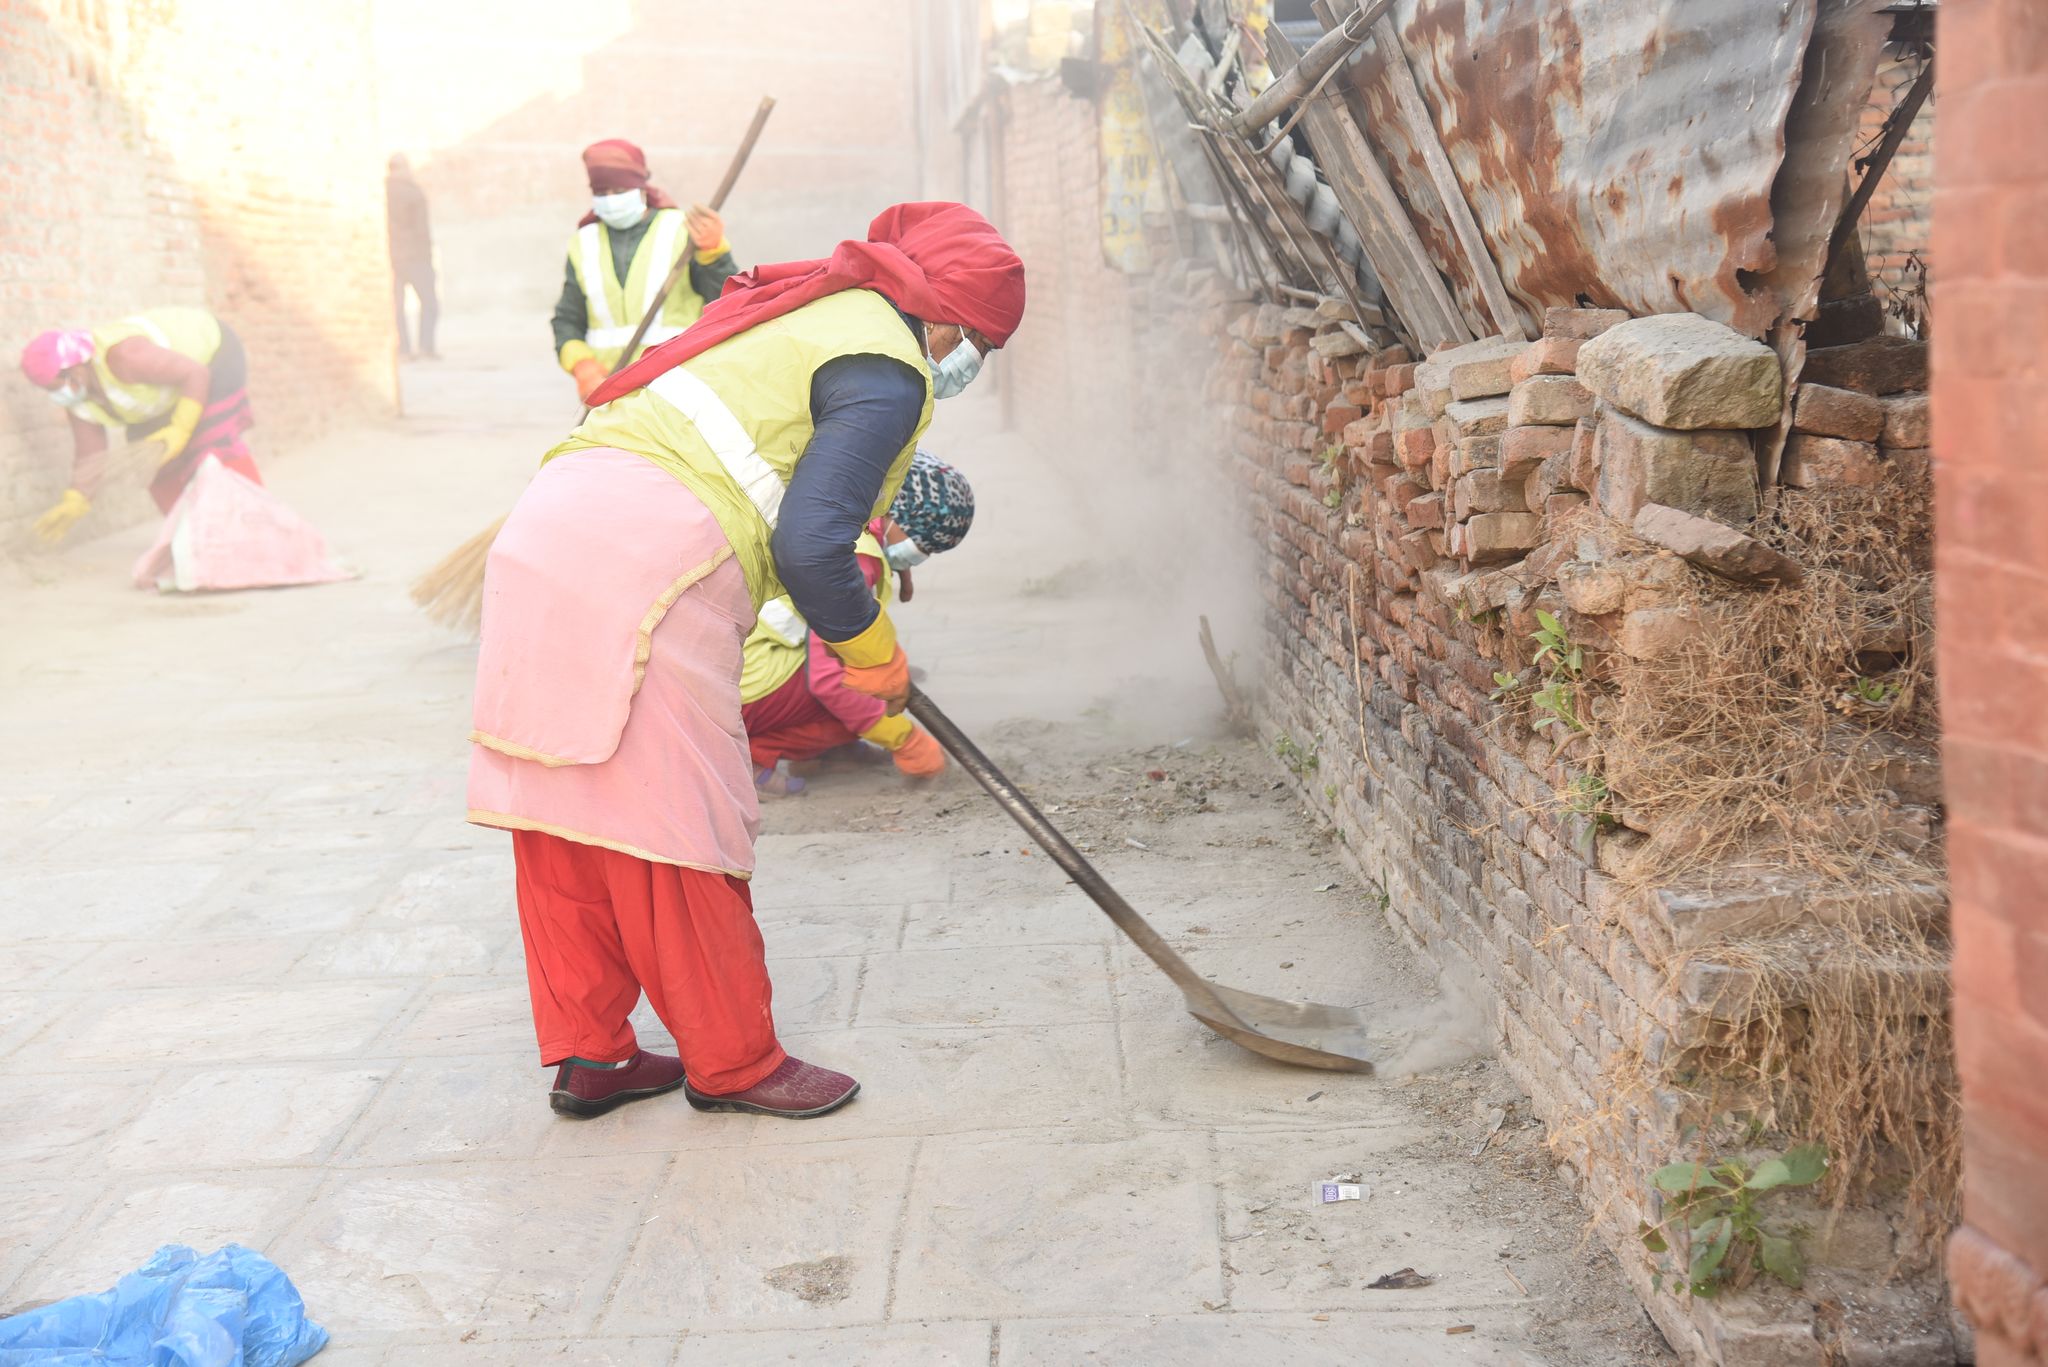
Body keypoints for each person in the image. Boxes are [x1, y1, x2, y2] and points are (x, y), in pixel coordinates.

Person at [468, 201, 1024, 1121]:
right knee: (676, 821)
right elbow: (813, 546)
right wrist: (875, 654)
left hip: (549, 524)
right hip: (648, 563)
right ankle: (733, 1062)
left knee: (561, 807)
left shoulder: (813, 307)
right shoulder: (887, 367)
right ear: (952, 315)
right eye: (981, 342)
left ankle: (593, 1054)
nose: (970, 359)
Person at [741, 449, 975, 795]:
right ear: (898, 512)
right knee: (862, 686)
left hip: (740, 677)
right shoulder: (858, 556)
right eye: (920, 542)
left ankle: (829, 752)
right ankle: (750, 757)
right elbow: (830, 681)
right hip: (744, 690)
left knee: (867, 681)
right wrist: (907, 742)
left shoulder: (842, 523)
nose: (919, 554)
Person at [20, 307, 256, 544]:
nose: (60, 395)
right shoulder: (79, 399)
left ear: (76, 367)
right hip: (167, 391)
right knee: (154, 463)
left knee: (213, 443)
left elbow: (196, 374)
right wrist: (77, 498)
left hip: (212, 358)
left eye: (58, 386)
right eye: (51, 391)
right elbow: (90, 455)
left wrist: (181, 429)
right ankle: (195, 539)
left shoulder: (124, 357)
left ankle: (256, 528)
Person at [552, 138, 738, 401]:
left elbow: (726, 301)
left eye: (619, 191)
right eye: (601, 193)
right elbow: (568, 320)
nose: (611, 200)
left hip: (678, 385)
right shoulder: (584, 242)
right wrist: (583, 367)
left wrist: (715, 255)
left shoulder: (683, 231)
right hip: (610, 390)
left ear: (640, 187)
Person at [386, 153, 439, 361]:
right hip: (416, 257)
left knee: (397, 308)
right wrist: (427, 257)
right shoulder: (413, 193)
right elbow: (421, 230)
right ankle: (426, 347)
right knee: (430, 304)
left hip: (392, 257)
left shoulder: (382, 192)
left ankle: (404, 350)